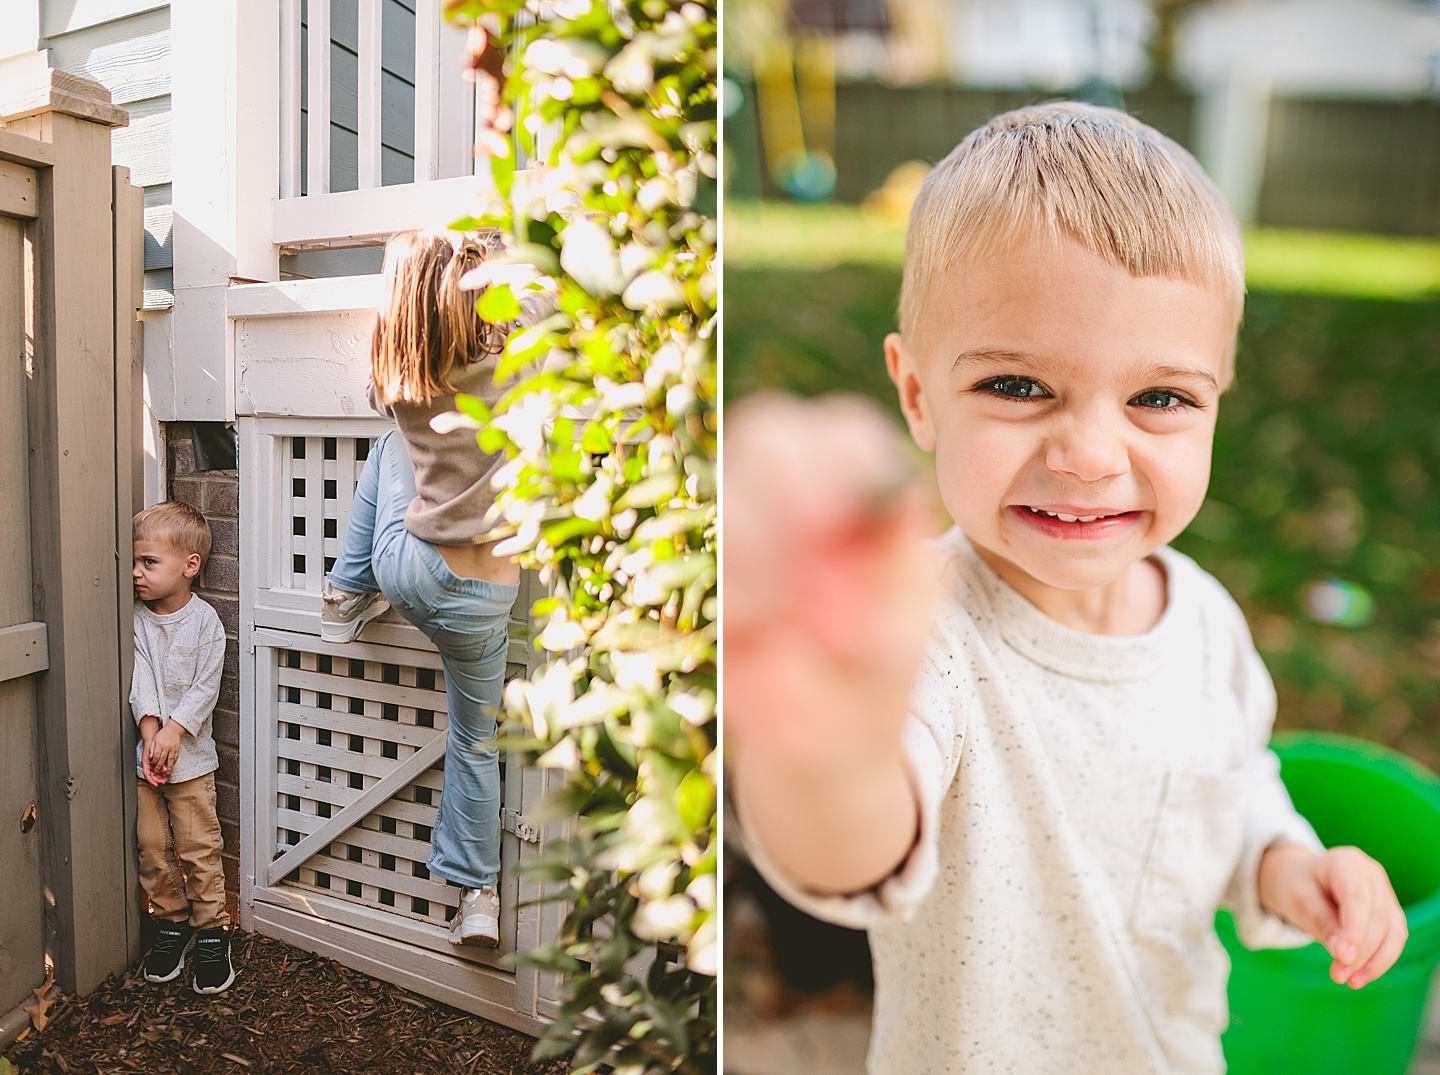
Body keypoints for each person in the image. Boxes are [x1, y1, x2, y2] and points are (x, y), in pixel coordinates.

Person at [724, 103, 1408, 1074]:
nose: (1089, 455)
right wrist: (830, 743)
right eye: (1016, 385)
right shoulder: (926, 634)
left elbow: (1234, 784)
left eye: (1159, 399)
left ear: (1217, 394)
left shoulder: (1204, 619)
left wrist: (1289, 868)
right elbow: (853, 848)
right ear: (918, 394)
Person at [320, 229, 520, 947]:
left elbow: (404, 351)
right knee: (476, 741)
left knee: (387, 447)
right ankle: (480, 899)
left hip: (413, 571)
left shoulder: (403, 388)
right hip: (486, 598)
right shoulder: (516, 371)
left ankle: (344, 593)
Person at [130, 500, 235, 994]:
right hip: (148, 761)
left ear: (189, 565)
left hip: (191, 763)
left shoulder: (206, 623)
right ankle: (170, 922)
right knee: (153, 848)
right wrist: (152, 733)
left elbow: (205, 687)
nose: (137, 573)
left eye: (149, 562)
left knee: (198, 847)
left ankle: (212, 931)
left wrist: (175, 731)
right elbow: (141, 678)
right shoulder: (136, 620)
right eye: (135, 562)